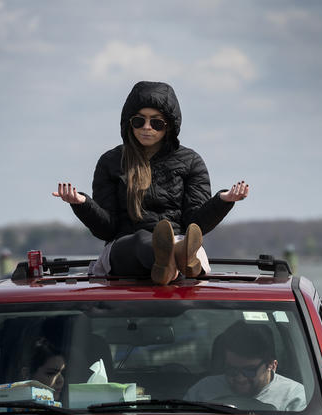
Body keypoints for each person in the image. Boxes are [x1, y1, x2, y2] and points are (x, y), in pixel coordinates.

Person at [52, 81, 249, 284]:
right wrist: (82, 203)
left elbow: (195, 224)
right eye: (139, 121)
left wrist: (223, 201)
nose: (147, 128)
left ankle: (171, 263)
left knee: (180, 240)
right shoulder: (111, 161)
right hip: (126, 247)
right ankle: (177, 259)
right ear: (129, 122)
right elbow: (107, 230)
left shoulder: (191, 161)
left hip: (179, 238)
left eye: (156, 123)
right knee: (142, 240)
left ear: (169, 126)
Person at [184, 321, 306, 411]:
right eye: (231, 370)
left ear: (271, 365)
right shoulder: (202, 392)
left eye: (249, 370)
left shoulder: (295, 398)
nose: (239, 379)